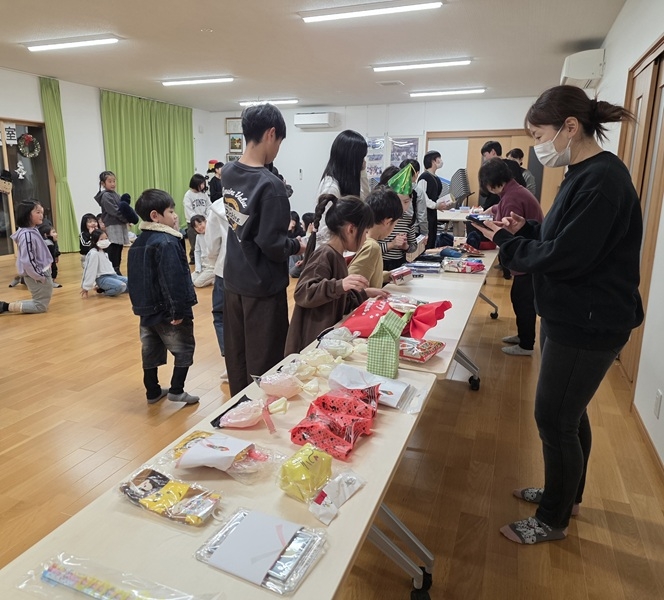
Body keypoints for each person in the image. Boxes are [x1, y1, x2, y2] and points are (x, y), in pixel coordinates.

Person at [480, 85, 643, 545]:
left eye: (539, 135)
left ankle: (552, 519)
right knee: (569, 414)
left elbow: (568, 256)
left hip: (588, 319)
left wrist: (508, 242)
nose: (537, 146)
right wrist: (527, 228)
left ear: (570, 127)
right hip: (568, 312)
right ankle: (566, 495)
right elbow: (561, 235)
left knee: (554, 417)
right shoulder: (581, 172)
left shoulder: (604, 180)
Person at [221, 103, 305, 396]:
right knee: (266, 364)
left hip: (233, 280)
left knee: (238, 357)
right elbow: (273, 245)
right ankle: (263, 412)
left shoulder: (228, 172)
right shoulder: (271, 186)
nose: (278, 149)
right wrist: (298, 245)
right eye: (279, 142)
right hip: (262, 286)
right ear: (271, 134)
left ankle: (239, 408)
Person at [285, 194, 387, 354]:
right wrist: (340, 285)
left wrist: (365, 294)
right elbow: (302, 292)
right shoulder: (325, 255)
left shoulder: (337, 256)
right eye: (365, 232)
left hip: (323, 340)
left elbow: (338, 298)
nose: (365, 239)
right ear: (351, 230)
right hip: (309, 344)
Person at [127, 188, 199, 405]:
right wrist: (177, 311)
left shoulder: (138, 242)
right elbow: (172, 279)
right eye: (170, 211)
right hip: (168, 309)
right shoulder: (167, 241)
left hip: (147, 310)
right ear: (155, 216)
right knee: (184, 347)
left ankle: (152, 391)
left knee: (150, 348)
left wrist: (140, 308)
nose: (175, 216)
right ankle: (177, 390)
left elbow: (134, 280)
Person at [478, 158, 543, 356]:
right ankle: (523, 336)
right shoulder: (514, 191)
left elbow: (506, 232)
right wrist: (492, 209)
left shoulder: (511, 197)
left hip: (527, 258)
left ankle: (526, 344)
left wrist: (487, 228)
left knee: (523, 300)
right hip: (530, 254)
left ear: (491, 184)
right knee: (519, 298)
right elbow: (502, 208)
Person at [315, 130, 370, 247]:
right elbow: (325, 231)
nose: (363, 162)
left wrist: (363, 172)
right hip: (332, 251)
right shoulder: (331, 187)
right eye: (361, 158)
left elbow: (365, 201)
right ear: (351, 160)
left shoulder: (345, 183)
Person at [0, 199, 53, 314]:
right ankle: (5, 307)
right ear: (27, 214)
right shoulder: (27, 235)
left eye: (42, 212)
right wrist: (39, 276)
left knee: (42, 301)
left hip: (41, 272)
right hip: (36, 275)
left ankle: (8, 306)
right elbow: (28, 260)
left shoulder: (32, 230)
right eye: (38, 212)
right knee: (40, 306)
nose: (41, 215)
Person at [348, 185, 403, 287]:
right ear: (387, 222)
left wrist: (387, 275)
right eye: (395, 224)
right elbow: (353, 285)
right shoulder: (372, 247)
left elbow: (368, 275)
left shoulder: (364, 239)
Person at [205, 193, 230, 381]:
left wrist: (215, 262)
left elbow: (212, 243)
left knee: (222, 316)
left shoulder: (219, 205)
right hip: (258, 272)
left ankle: (231, 363)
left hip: (225, 268)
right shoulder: (264, 197)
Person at [377, 166, 418, 271]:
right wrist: (391, 244)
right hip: (379, 264)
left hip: (399, 264)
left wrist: (405, 246)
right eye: (398, 201)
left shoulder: (407, 219)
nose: (402, 206)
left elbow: (413, 246)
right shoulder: (378, 219)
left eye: (406, 202)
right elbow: (369, 248)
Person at [94, 171, 129, 275]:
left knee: (119, 246)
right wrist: (126, 218)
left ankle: (117, 268)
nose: (113, 184)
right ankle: (113, 268)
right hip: (113, 224)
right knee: (114, 246)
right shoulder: (106, 196)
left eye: (114, 181)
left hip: (120, 222)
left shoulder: (116, 194)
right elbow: (114, 211)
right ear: (103, 183)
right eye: (110, 181)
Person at [417, 150, 453, 249]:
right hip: (424, 214)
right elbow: (422, 197)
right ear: (433, 161)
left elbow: (434, 197)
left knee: (432, 237)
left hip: (433, 213)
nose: (441, 161)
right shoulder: (424, 177)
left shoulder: (436, 178)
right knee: (426, 240)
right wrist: (435, 205)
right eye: (439, 158)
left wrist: (442, 204)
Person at [81, 229, 128, 297]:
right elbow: (90, 270)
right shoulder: (93, 253)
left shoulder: (104, 253)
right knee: (121, 286)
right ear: (94, 241)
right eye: (101, 239)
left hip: (113, 276)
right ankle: (105, 291)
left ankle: (110, 288)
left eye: (106, 238)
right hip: (102, 278)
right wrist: (86, 287)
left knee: (131, 282)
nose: (105, 241)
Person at [183, 173, 211, 265]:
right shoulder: (188, 195)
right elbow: (189, 210)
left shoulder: (204, 194)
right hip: (193, 223)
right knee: (194, 242)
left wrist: (206, 217)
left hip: (204, 221)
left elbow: (209, 205)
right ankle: (193, 258)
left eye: (203, 184)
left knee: (204, 241)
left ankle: (204, 258)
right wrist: (197, 220)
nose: (203, 186)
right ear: (195, 184)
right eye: (201, 184)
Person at [399, 158, 428, 240]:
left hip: (394, 230)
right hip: (413, 230)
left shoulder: (394, 188)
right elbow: (422, 216)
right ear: (417, 173)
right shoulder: (418, 191)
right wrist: (425, 233)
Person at [189, 215, 215, 288]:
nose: (199, 228)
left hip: (212, 267)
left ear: (205, 222)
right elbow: (197, 252)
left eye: (200, 224)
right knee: (189, 280)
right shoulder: (198, 237)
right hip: (203, 266)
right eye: (196, 227)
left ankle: (215, 277)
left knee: (197, 283)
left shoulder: (213, 234)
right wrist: (198, 268)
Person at [38, 222, 62, 288]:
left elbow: (55, 251)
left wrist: (56, 255)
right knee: (51, 269)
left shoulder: (52, 242)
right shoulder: (48, 243)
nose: (56, 234)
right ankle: (50, 282)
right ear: (46, 235)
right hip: (46, 264)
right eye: (53, 232)